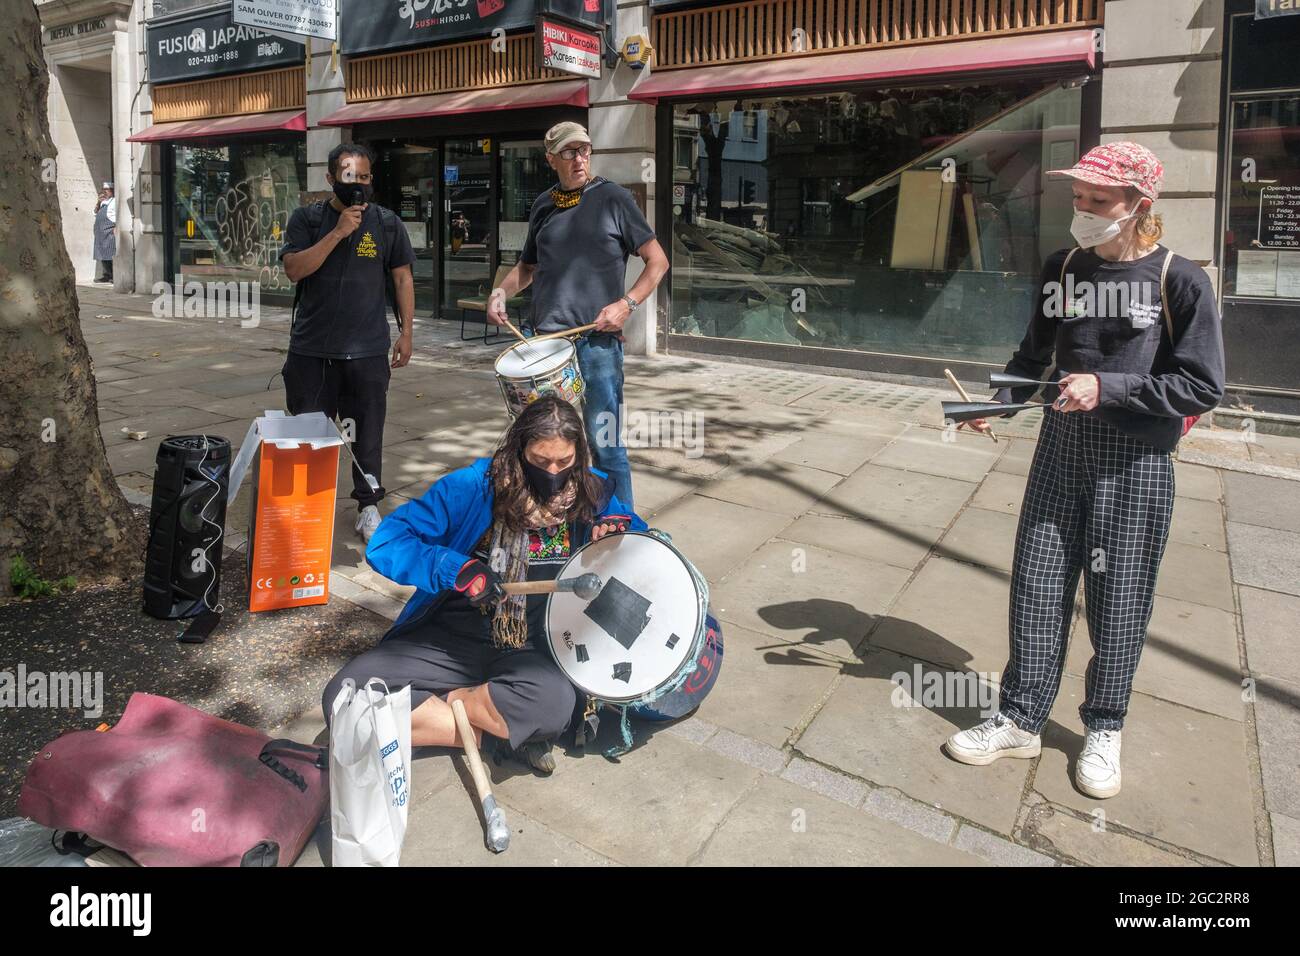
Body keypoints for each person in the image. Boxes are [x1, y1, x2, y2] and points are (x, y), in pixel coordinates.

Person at [943, 142, 1226, 799]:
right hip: (1060, 449)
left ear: (1139, 205)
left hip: (1137, 462)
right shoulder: (1063, 266)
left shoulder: (1178, 280)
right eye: (1079, 199)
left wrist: (1111, 389)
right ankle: (1019, 717)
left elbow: (1201, 386)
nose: (1085, 210)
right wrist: (995, 404)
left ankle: (1104, 726)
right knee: (1037, 584)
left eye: (1100, 201)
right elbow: (1034, 353)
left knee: (1117, 599)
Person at [322, 397, 647, 773]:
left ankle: (452, 706)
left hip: (530, 648)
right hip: (449, 640)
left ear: (580, 454)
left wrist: (620, 530)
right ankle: (495, 733)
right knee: (343, 700)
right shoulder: (475, 487)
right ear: (519, 448)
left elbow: (650, 550)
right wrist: (454, 567)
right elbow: (387, 541)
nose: (554, 472)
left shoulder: (594, 495)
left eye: (564, 461)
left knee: (555, 703)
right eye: (541, 462)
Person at [487, 122, 669, 511]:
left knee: (607, 445)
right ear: (550, 159)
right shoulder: (542, 205)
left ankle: (624, 528)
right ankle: (560, 521)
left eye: (584, 150)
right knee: (546, 446)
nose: (579, 159)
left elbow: (658, 262)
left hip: (597, 347)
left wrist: (627, 305)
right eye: (569, 152)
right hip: (546, 347)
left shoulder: (614, 199)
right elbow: (527, 267)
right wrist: (501, 291)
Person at [281, 143, 416, 543]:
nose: (356, 183)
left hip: (367, 351)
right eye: (347, 175)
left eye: (363, 176)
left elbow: (403, 278)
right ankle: (305, 506)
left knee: (366, 434)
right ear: (330, 178)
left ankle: (368, 505)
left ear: (371, 180)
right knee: (307, 434)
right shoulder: (307, 219)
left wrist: (406, 332)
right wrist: (339, 233)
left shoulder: (388, 223)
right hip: (312, 351)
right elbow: (293, 269)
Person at [93, 182, 116, 283]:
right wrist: (98, 202)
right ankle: (106, 275)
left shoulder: (115, 201)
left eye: (107, 190)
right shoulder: (102, 202)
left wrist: (116, 226)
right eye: (104, 190)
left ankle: (113, 276)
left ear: (112, 191)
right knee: (102, 254)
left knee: (110, 252)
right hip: (100, 232)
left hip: (109, 229)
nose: (105, 192)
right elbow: (94, 213)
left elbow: (118, 215)